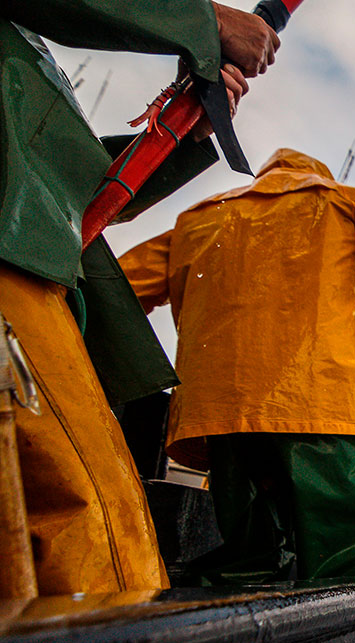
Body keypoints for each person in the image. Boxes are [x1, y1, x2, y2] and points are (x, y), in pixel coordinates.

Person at [0, 2, 278, 598]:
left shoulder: (24, 61)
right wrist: (203, 23)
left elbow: (76, 191)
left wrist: (185, 135)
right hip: (15, 271)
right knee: (94, 523)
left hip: (38, 268)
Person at [119, 149, 355, 584]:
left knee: (250, 547)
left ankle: (232, 614)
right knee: (354, 548)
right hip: (329, 400)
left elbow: (119, 289)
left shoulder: (195, 220)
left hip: (223, 409)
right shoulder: (342, 200)